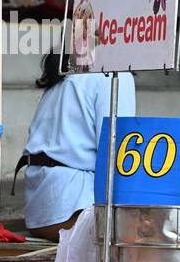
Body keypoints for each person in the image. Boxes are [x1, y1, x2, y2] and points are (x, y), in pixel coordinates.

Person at [17, 53, 136, 240]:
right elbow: (118, 157)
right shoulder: (113, 74)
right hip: (72, 209)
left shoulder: (68, 72)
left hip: (40, 213)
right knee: (153, 227)